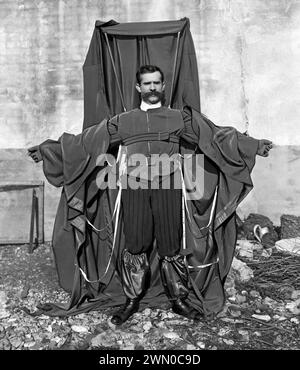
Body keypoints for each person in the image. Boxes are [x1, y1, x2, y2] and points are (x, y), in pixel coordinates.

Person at [28, 65, 272, 325]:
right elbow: (85, 142)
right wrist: (49, 150)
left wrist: (253, 145)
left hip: (169, 186)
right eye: (147, 84)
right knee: (135, 245)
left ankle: (178, 300)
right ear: (138, 88)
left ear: (163, 86)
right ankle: (132, 300)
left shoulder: (180, 118)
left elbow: (215, 135)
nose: (152, 88)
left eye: (156, 83)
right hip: (134, 187)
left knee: (170, 244)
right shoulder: (123, 121)